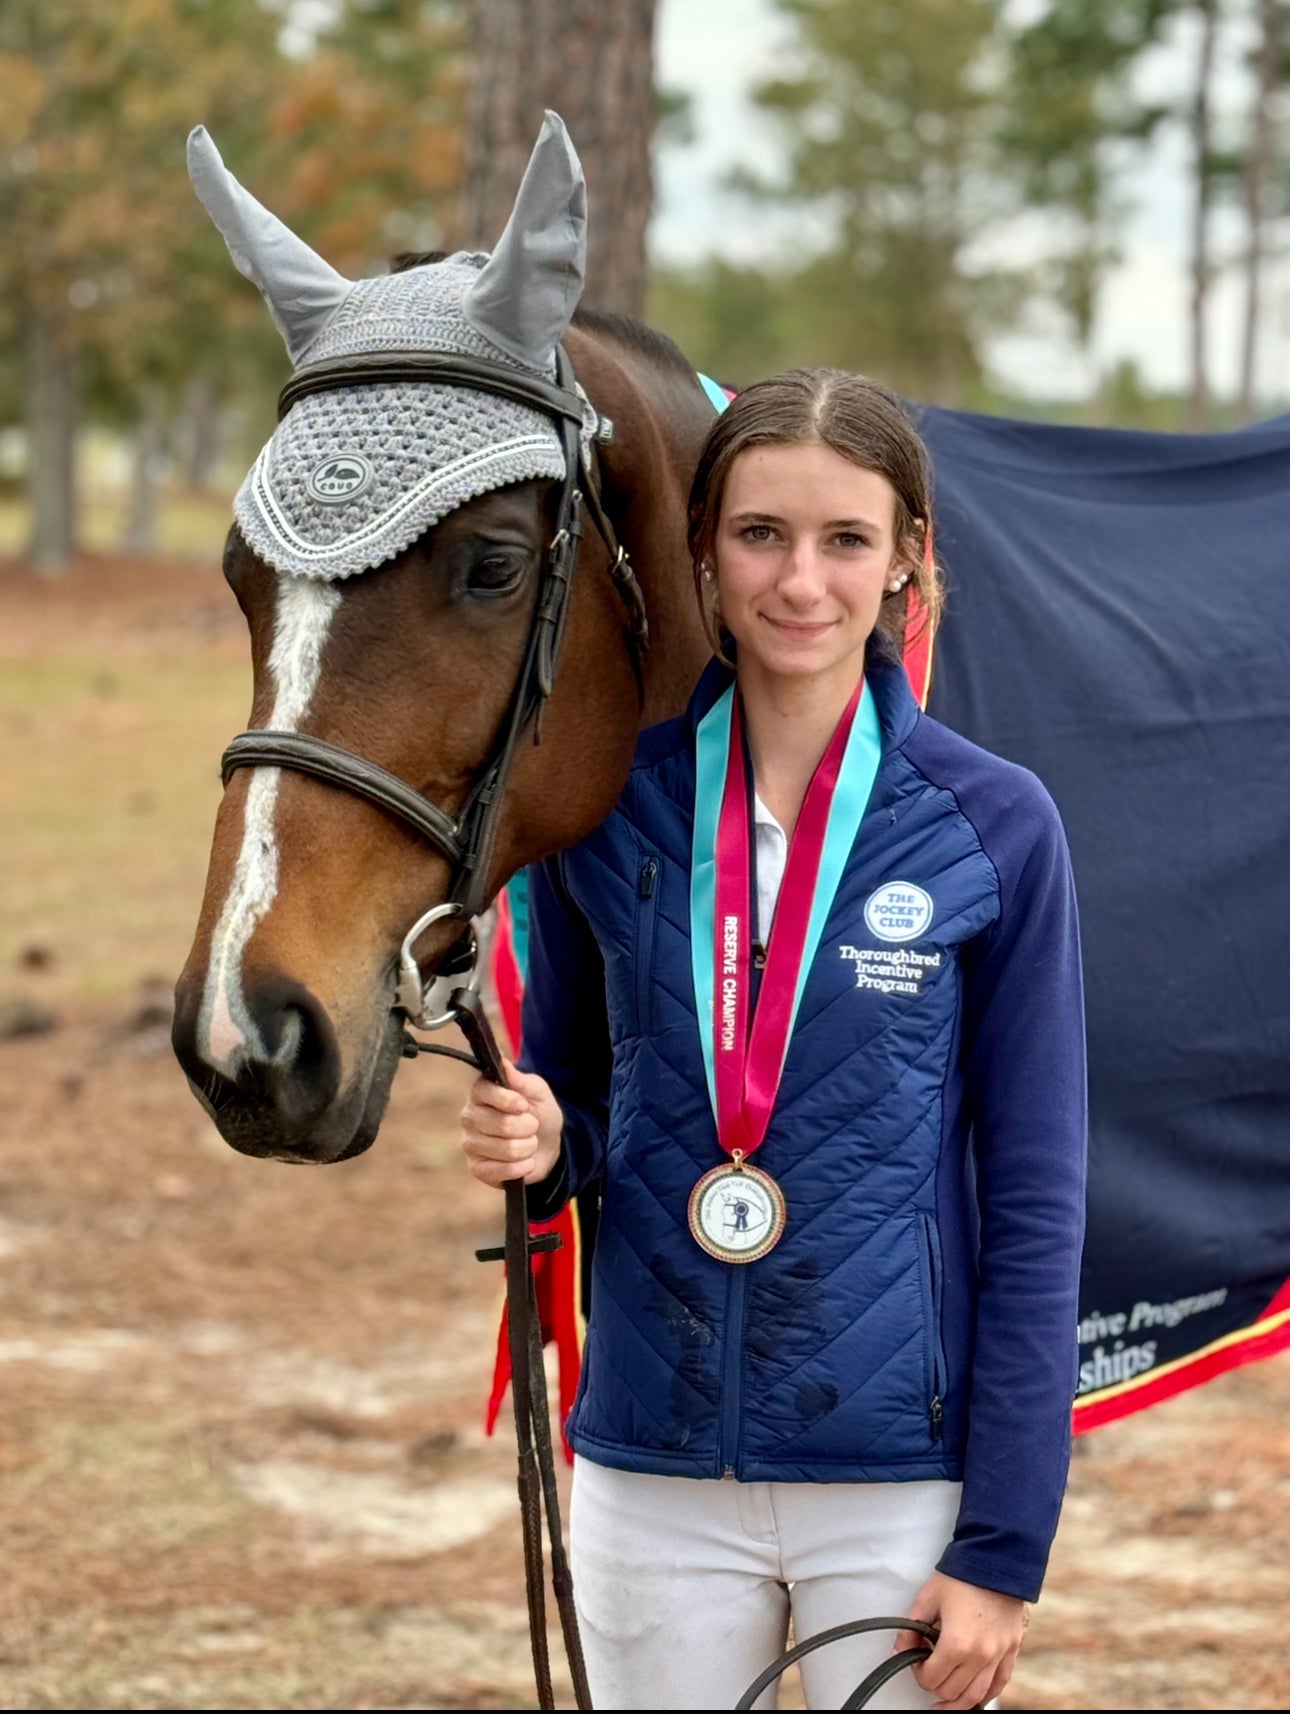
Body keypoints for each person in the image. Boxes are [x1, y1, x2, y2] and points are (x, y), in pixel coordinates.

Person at [460, 368, 1087, 1711]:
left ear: (907, 561)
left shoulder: (995, 825)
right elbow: (575, 1095)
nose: (800, 580)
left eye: (845, 539)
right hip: (649, 1469)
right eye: (760, 534)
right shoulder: (609, 806)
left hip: (896, 1485)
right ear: (702, 551)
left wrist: (1003, 1546)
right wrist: (545, 1131)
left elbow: (1037, 1203)